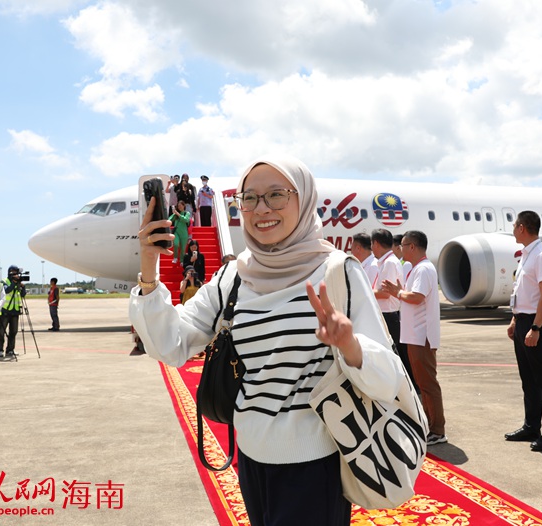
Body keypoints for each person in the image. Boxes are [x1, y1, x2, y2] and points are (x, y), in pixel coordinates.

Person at [130, 155, 403, 525]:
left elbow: (390, 379)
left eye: (277, 195)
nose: (262, 209)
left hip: (313, 463)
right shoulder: (234, 277)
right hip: (252, 461)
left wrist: (351, 346)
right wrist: (149, 266)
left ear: (304, 200)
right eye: (249, 198)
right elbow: (170, 344)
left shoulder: (338, 271)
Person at [505, 211, 542, 452]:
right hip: (523, 320)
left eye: (515, 225)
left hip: (535, 322)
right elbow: (523, 292)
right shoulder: (527, 254)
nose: (513, 229)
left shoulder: (541, 255)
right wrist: (514, 319)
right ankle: (531, 425)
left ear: (522, 227)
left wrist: (536, 327)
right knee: (528, 379)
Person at [382, 230, 447, 446]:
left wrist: (398, 293)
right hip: (415, 335)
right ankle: (430, 425)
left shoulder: (424, 269)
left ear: (412, 246)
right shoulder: (417, 269)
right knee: (421, 382)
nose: (399, 249)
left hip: (422, 336)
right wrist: (399, 292)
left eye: (402, 245)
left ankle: (438, 429)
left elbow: (417, 297)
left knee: (427, 383)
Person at [370, 228, 416, 389]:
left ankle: (409, 388)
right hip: (388, 314)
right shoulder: (387, 261)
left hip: (389, 315)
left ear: (376, 243)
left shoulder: (389, 263)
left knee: (397, 356)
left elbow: (385, 293)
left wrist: (365, 291)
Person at [0, 265, 27, 359]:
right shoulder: (4, 281)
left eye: (16, 273)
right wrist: (14, 283)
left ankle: (10, 349)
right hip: (5, 310)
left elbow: (22, 295)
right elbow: (7, 290)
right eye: (13, 272)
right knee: (1, 332)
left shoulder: (18, 282)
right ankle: (0, 350)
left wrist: (23, 287)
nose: (15, 275)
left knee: (13, 331)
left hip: (15, 310)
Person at [169, 200, 191, 265]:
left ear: (184, 206)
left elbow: (185, 220)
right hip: (176, 232)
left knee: (183, 248)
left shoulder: (187, 213)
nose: (179, 207)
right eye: (178, 206)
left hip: (184, 233)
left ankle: (182, 260)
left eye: (181, 205)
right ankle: (175, 257)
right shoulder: (175, 214)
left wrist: (178, 214)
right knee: (175, 244)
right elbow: (169, 220)